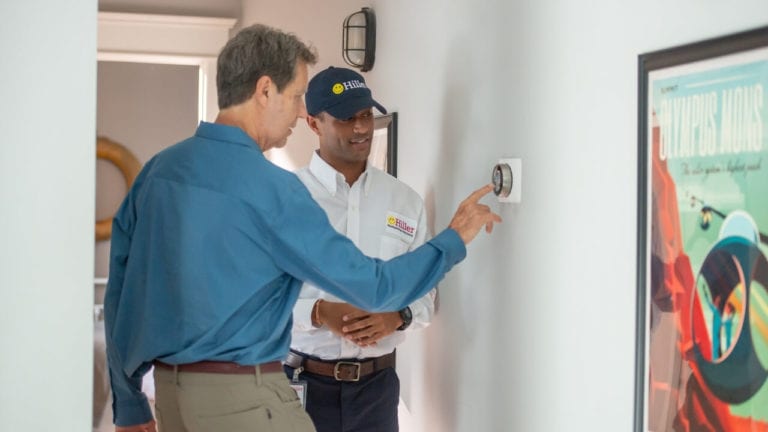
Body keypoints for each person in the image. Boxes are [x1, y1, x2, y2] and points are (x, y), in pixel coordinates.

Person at [105, 23, 501, 432]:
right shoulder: (273, 188)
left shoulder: (158, 173)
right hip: (248, 399)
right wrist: (454, 238)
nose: (299, 111)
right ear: (264, 91)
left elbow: (122, 293)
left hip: (174, 399)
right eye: (295, 96)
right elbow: (375, 287)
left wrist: (130, 402)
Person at [284, 66, 435, 432]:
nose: (361, 128)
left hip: (377, 392)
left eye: (366, 115)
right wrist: (319, 312)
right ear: (313, 123)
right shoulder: (283, 200)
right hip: (297, 385)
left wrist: (397, 316)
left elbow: (427, 296)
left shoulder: (405, 202)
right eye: (346, 118)